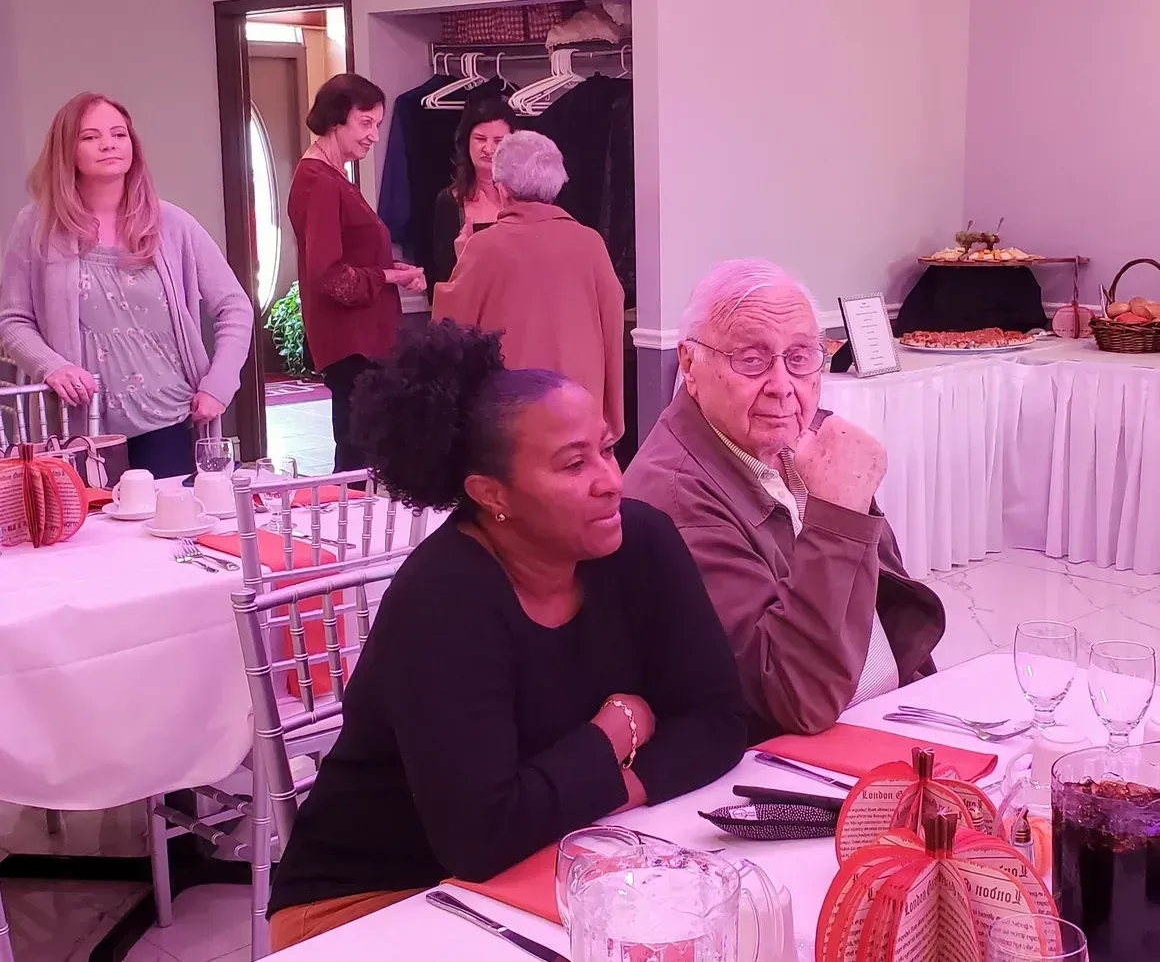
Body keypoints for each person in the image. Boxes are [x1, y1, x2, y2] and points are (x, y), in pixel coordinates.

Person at [266, 319, 747, 950]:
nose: (610, 479)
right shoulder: (443, 602)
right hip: (370, 901)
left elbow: (717, 722)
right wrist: (613, 735)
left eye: (606, 448)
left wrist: (609, 786)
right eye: (574, 464)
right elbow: (481, 836)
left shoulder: (640, 543)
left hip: (551, 858)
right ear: (492, 496)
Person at [623, 259, 945, 739]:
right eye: (751, 360)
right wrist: (836, 516)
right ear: (690, 365)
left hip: (887, 710)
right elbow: (795, 701)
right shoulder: (675, 496)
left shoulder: (802, 442)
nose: (782, 387)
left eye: (799, 358)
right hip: (796, 759)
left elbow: (883, 607)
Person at [0, 92, 252, 478]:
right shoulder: (35, 226)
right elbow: (13, 320)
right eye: (90, 136)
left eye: (119, 134)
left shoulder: (173, 224)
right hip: (81, 430)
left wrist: (219, 384)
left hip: (170, 418)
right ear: (66, 150)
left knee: (170, 531)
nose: (108, 144)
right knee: (90, 535)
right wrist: (52, 367)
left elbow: (235, 306)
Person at [431, 131, 625, 440]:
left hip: (512, 413)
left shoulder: (485, 246)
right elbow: (613, 324)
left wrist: (460, 259)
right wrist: (611, 415)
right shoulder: (590, 243)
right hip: (580, 406)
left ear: (503, 189)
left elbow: (450, 329)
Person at [288, 73, 426, 473]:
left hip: (361, 341)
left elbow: (347, 257)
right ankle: (349, 534)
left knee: (362, 452)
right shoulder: (322, 183)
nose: (374, 136)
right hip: (353, 345)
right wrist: (390, 278)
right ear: (336, 120)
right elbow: (330, 277)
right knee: (357, 457)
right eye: (366, 123)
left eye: (378, 125)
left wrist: (391, 269)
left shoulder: (331, 177)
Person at [430, 97, 516, 287]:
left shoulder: (528, 195)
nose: (488, 148)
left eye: (498, 140)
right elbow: (444, 279)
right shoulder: (449, 201)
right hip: (471, 309)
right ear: (466, 141)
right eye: (480, 139)